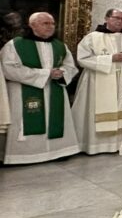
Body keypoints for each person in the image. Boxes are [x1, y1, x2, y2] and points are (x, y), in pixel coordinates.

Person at [1, 12, 78, 164]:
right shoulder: (15, 44)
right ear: (32, 25)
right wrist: (45, 74)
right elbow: (9, 68)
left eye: (52, 23)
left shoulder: (60, 45)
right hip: (23, 91)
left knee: (55, 119)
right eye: (45, 23)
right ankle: (25, 156)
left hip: (55, 90)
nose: (50, 27)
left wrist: (62, 73)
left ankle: (58, 151)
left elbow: (70, 66)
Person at [72, 8, 122, 155]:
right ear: (107, 18)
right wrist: (109, 59)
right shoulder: (92, 38)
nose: (120, 21)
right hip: (97, 80)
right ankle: (95, 145)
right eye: (116, 18)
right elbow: (82, 59)